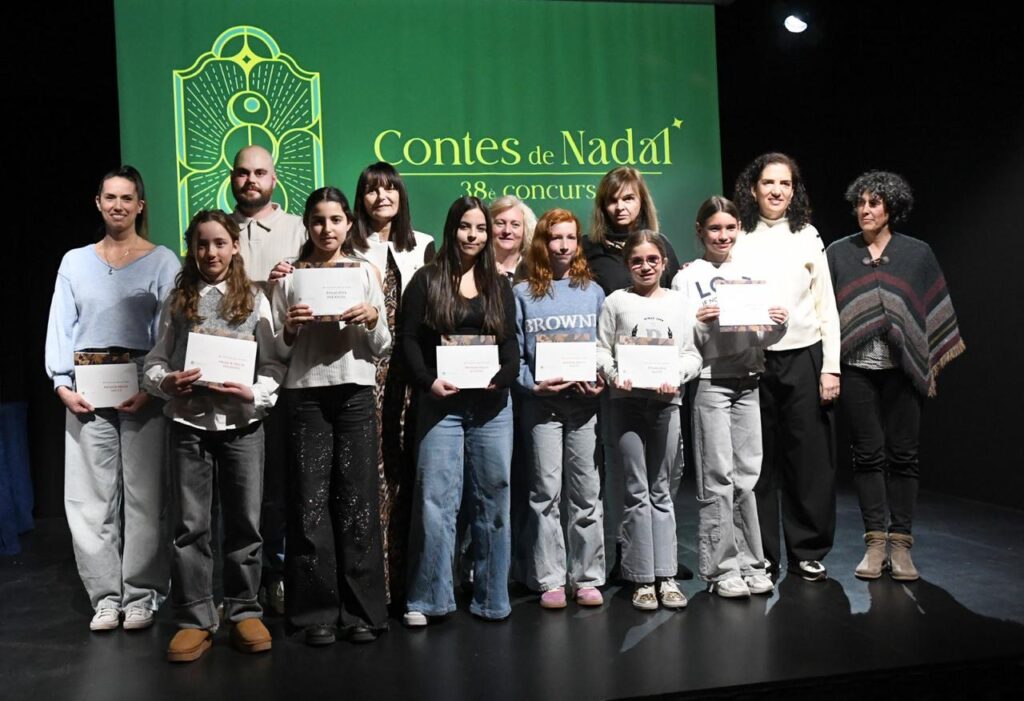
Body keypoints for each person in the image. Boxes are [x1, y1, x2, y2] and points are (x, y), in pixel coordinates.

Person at [144, 210, 282, 661]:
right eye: (202, 244)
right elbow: (155, 361)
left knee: (245, 521)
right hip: (189, 426)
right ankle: (195, 617)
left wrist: (255, 392)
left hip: (242, 426)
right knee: (190, 526)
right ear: (192, 248)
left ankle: (244, 609)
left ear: (235, 246)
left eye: (220, 243)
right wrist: (167, 382)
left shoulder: (255, 298)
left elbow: (273, 363)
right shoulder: (178, 299)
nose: (210, 252)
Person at [45, 165, 179, 631]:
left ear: (140, 206)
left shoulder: (163, 261)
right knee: (90, 499)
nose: (118, 205)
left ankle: (141, 595)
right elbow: (61, 324)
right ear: (98, 203)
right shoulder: (75, 262)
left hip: (142, 385)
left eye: (127, 198)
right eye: (110, 197)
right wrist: (62, 385)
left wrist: (152, 387)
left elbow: (169, 329)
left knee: (146, 497)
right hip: (86, 385)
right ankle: (105, 597)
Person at [827, 171, 964, 581]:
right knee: (867, 454)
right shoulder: (839, 252)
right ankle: (875, 542)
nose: (865, 210)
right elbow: (825, 310)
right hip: (856, 368)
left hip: (904, 369)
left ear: (892, 207)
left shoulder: (917, 253)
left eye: (874, 203)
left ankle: (901, 543)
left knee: (904, 454)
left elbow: (931, 307)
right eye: (860, 203)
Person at [272, 187, 391, 645]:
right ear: (307, 224)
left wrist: (372, 317)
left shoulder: (364, 272)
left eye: (336, 219)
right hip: (304, 395)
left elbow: (382, 347)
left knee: (358, 500)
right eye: (318, 220)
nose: (327, 229)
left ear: (348, 224)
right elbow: (276, 351)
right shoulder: (289, 277)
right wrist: (290, 328)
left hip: (354, 392)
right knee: (309, 503)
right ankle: (315, 613)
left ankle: (362, 612)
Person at [401, 196, 518, 625]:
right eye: (465, 227)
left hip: (491, 407)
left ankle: (492, 598)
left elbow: (510, 345)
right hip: (442, 405)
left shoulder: (498, 284)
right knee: (435, 501)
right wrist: (428, 381)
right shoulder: (427, 279)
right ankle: (429, 598)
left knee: (494, 499)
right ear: (452, 230)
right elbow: (408, 340)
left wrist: (502, 378)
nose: (474, 235)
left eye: (481, 228)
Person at [731, 152, 841, 582]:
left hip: (803, 355)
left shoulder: (807, 235)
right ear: (753, 188)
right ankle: (760, 554)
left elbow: (826, 305)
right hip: (751, 358)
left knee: (808, 460)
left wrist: (831, 367)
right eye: (768, 183)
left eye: (785, 184)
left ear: (794, 191)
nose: (777, 191)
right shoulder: (738, 234)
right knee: (755, 463)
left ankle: (807, 550)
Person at [672, 197, 788, 598]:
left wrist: (778, 324)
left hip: (749, 380)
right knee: (717, 478)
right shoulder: (687, 278)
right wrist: (701, 323)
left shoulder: (751, 274)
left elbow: (764, 336)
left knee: (747, 478)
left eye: (730, 228)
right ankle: (721, 569)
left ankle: (752, 563)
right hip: (711, 382)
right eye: (715, 228)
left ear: (739, 228)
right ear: (700, 230)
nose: (723, 236)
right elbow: (684, 339)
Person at [583, 166, 682, 581]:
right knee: (622, 476)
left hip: (662, 387)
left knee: (662, 479)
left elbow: (677, 318)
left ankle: (661, 558)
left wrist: (676, 371)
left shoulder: (662, 246)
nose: (620, 207)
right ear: (602, 205)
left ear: (642, 202)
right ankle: (629, 559)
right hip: (613, 383)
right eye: (613, 199)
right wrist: (607, 370)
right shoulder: (588, 250)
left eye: (629, 198)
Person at [596, 230, 702, 610]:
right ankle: (640, 578)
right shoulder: (615, 302)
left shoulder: (679, 304)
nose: (645, 266)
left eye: (652, 260)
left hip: (665, 403)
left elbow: (692, 354)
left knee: (661, 491)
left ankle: (666, 575)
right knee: (635, 491)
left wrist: (677, 375)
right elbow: (601, 350)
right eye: (637, 261)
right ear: (628, 265)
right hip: (625, 404)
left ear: (664, 263)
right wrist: (614, 375)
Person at [350, 162, 435, 604]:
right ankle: (371, 583)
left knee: (407, 472)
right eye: (371, 190)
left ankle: (407, 581)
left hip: (412, 374)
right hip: (365, 370)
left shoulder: (423, 244)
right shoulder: (347, 243)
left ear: (401, 195)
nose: (381, 197)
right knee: (369, 475)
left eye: (389, 189)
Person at [513, 209, 606, 609]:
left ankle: (587, 577)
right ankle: (550, 578)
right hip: (542, 407)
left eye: (570, 237)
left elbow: (604, 348)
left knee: (586, 495)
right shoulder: (522, 293)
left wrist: (601, 379)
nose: (564, 245)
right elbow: (516, 355)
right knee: (544, 494)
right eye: (555, 238)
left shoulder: (593, 292)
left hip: (584, 407)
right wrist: (531, 384)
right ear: (542, 242)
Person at [230, 144, 307, 612]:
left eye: (260, 172)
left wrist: (290, 279)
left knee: (279, 485)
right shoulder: (217, 230)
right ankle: (237, 582)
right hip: (225, 375)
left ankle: (276, 575)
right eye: (242, 173)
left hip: (286, 373)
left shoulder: (300, 228)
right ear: (232, 178)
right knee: (237, 489)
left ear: (274, 179)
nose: (250, 180)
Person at [491, 195, 537, 281]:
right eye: (500, 223)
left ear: (525, 230)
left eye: (515, 224)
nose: (507, 231)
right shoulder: (475, 270)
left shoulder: (536, 273)